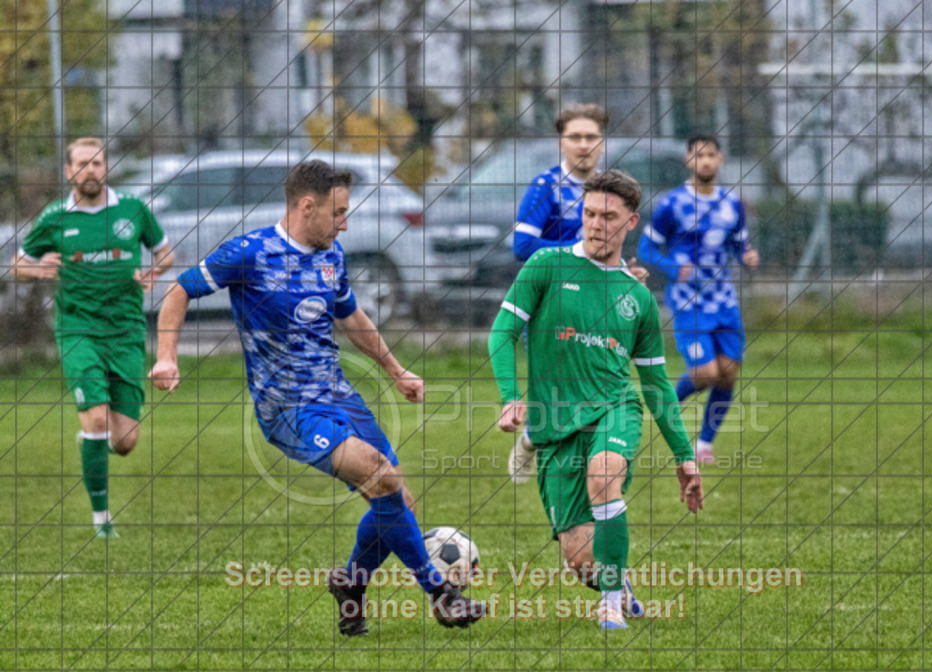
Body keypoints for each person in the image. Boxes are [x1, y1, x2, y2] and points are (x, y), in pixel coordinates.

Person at [149, 160, 486, 636]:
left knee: (397, 498)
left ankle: (351, 584)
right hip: (287, 407)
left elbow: (352, 318)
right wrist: (167, 357)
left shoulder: (332, 256)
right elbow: (179, 290)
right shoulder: (251, 253)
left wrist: (395, 371)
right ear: (307, 207)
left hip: (338, 395)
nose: (345, 222)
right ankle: (440, 593)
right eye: (339, 212)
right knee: (379, 475)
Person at [489, 170, 705, 630]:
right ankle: (613, 580)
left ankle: (609, 605)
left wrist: (685, 457)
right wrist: (510, 397)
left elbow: (656, 386)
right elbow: (501, 334)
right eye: (588, 214)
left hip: (614, 408)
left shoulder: (637, 298)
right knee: (579, 557)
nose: (596, 224)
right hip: (555, 424)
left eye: (608, 216)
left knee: (604, 473)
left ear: (631, 222)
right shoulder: (547, 265)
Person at [12, 137, 175, 539]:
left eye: (97, 163)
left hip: (125, 331)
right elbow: (17, 264)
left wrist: (153, 272)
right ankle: (102, 520)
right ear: (69, 172)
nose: (91, 170)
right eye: (82, 164)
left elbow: (166, 254)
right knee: (99, 418)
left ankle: (93, 439)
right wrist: (37, 270)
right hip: (77, 329)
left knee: (125, 442)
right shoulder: (54, 218)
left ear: (106, 168)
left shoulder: (133, 210)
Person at [507, 103, 646, 483]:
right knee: (567, 392)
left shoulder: (609, 189)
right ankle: (541, 437)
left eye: (591, 137)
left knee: (600, 384)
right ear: (561, 143)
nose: (583, 144)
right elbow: (521, 245)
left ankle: (600, 463)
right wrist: (581, 250)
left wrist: (622, 272)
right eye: (575, 137)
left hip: (598, 301)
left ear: (602, 143)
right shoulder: (545, 187)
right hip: (553, 302)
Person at [637, 134, 759, 464]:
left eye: (711, 155)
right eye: (698, 155)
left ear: (720, 160)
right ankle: (666, 407)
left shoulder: (732, 203)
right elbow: (645, 249)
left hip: (725, 302)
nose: (705, 161)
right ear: (688, 161)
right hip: (689, 303)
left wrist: (746, 255)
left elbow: (738, 243)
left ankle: (704, 444)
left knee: (728, 373)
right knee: (705, 373)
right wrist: (672, 266)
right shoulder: (672, 204)